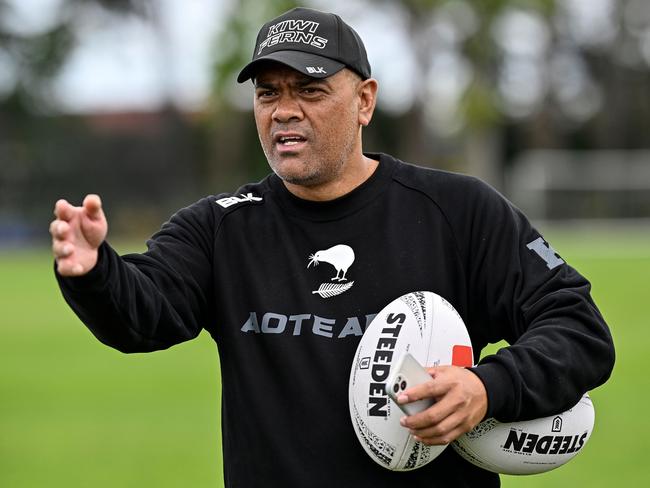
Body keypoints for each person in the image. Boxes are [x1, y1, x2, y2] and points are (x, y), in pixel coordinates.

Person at [50, 7, 614, 488]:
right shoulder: (222, 227)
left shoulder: (458, 211)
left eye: (311, 90)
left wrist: (488, 387)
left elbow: (578, 328)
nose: (284, 110)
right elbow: (142, 315)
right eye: (268, 93)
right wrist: (95, 270)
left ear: (364, 100)